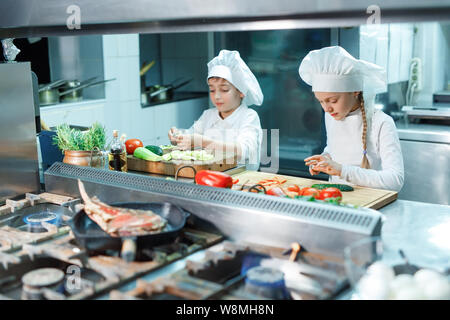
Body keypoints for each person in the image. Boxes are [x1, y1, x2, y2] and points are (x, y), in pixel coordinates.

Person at [298, 46, 404, 192]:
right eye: (321, 101)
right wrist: (325, 159)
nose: (326, 109)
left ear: (355, 91)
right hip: (335, 198)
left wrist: (342, 170)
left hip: (370, 203)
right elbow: (337, 148)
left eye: (333, 100)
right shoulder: (330, 116)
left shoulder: (382, 123)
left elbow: (395, 180)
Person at [168, 49, 264, 170]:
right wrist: (178, 136)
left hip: (241, 180)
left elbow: (243, 150)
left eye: (224, 90)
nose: (217, 96)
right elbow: (191, 136)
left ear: (241, 92)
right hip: (211, 178)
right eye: (212, 90)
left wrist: (202, 141)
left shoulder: (249, 116)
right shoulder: (208, 115)